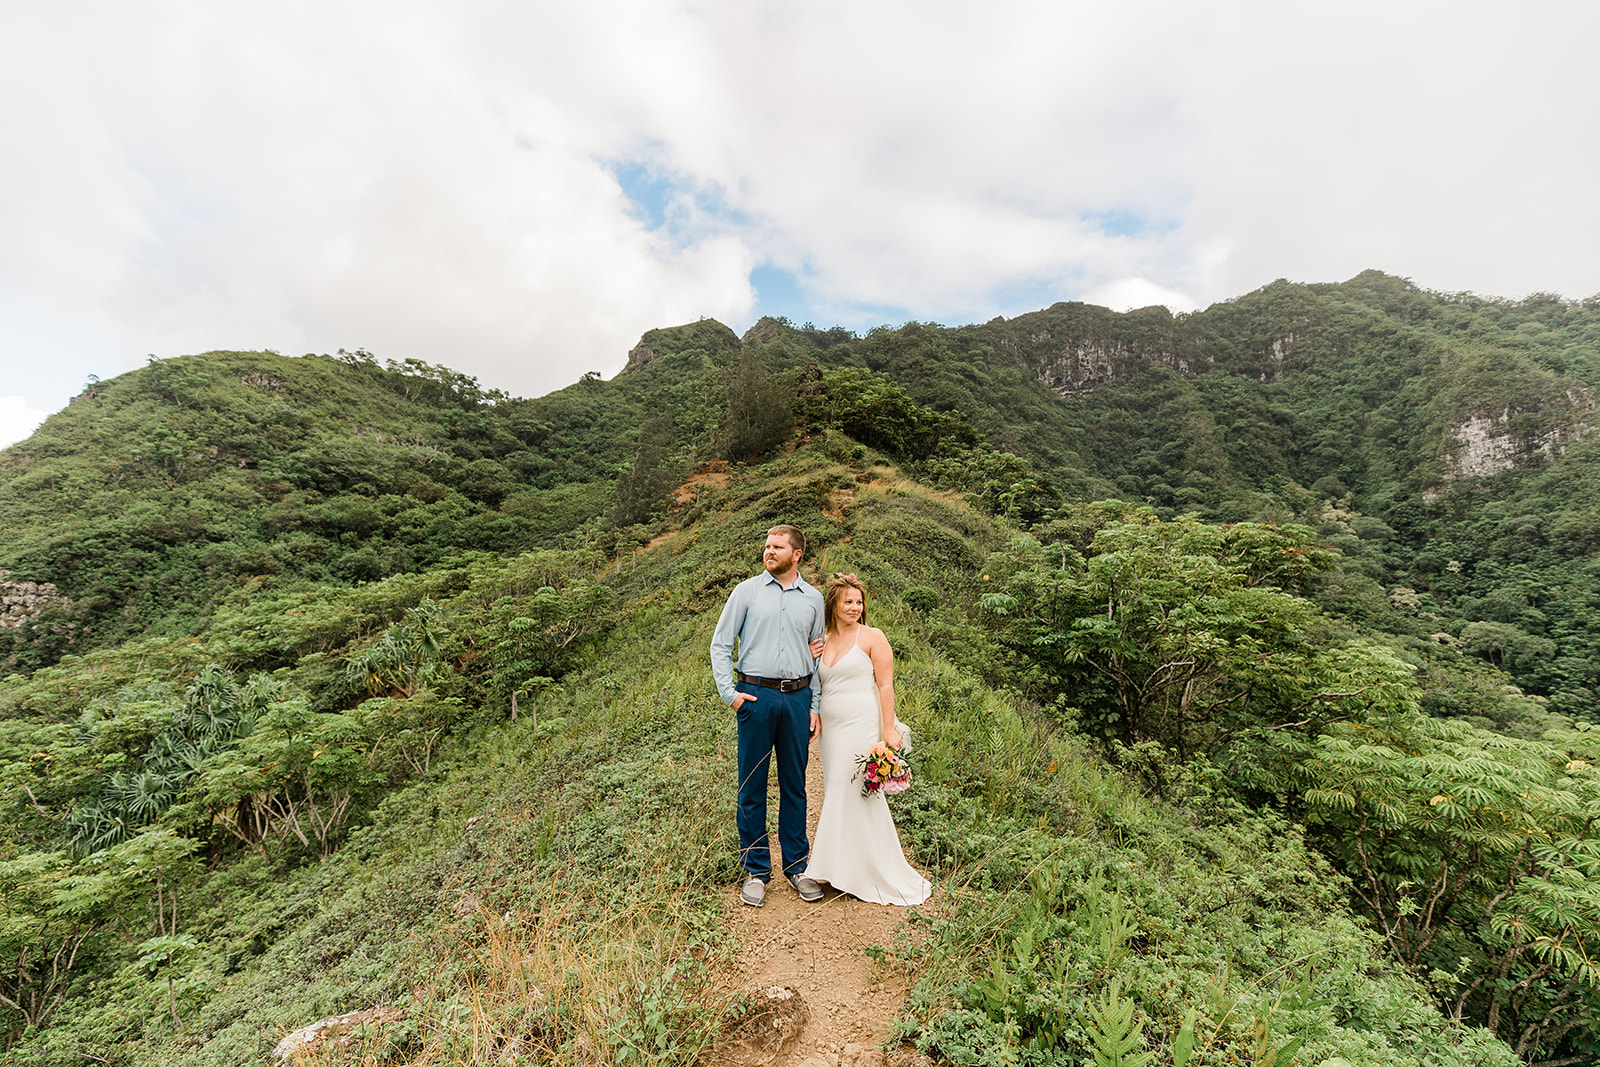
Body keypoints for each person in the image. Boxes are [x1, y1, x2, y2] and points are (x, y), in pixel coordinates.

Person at [710, 525, 828, 908]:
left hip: (796, 699)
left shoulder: (813, 599)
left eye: (777, 547)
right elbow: (721, 644)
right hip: (755, 697)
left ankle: (796, 866)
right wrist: (731, 695)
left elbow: (819, 657)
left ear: (797, 554)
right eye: (766, 546)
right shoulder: (746, 592)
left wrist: (813, 706)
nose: (768, 551)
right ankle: (757, 870)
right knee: (752, 785)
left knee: (795, 785)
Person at [804, 573, 932, 906]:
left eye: (859, 602)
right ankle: (841, 865)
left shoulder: (873, 637)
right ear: (834, 604)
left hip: (861, 722)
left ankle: (850, 870)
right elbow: (811, 680)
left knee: (851, 788)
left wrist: (888, 730)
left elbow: (885, 685)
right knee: (837, 788)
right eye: (848, 601)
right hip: (830, 729)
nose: (855, 607)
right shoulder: (824, 639)